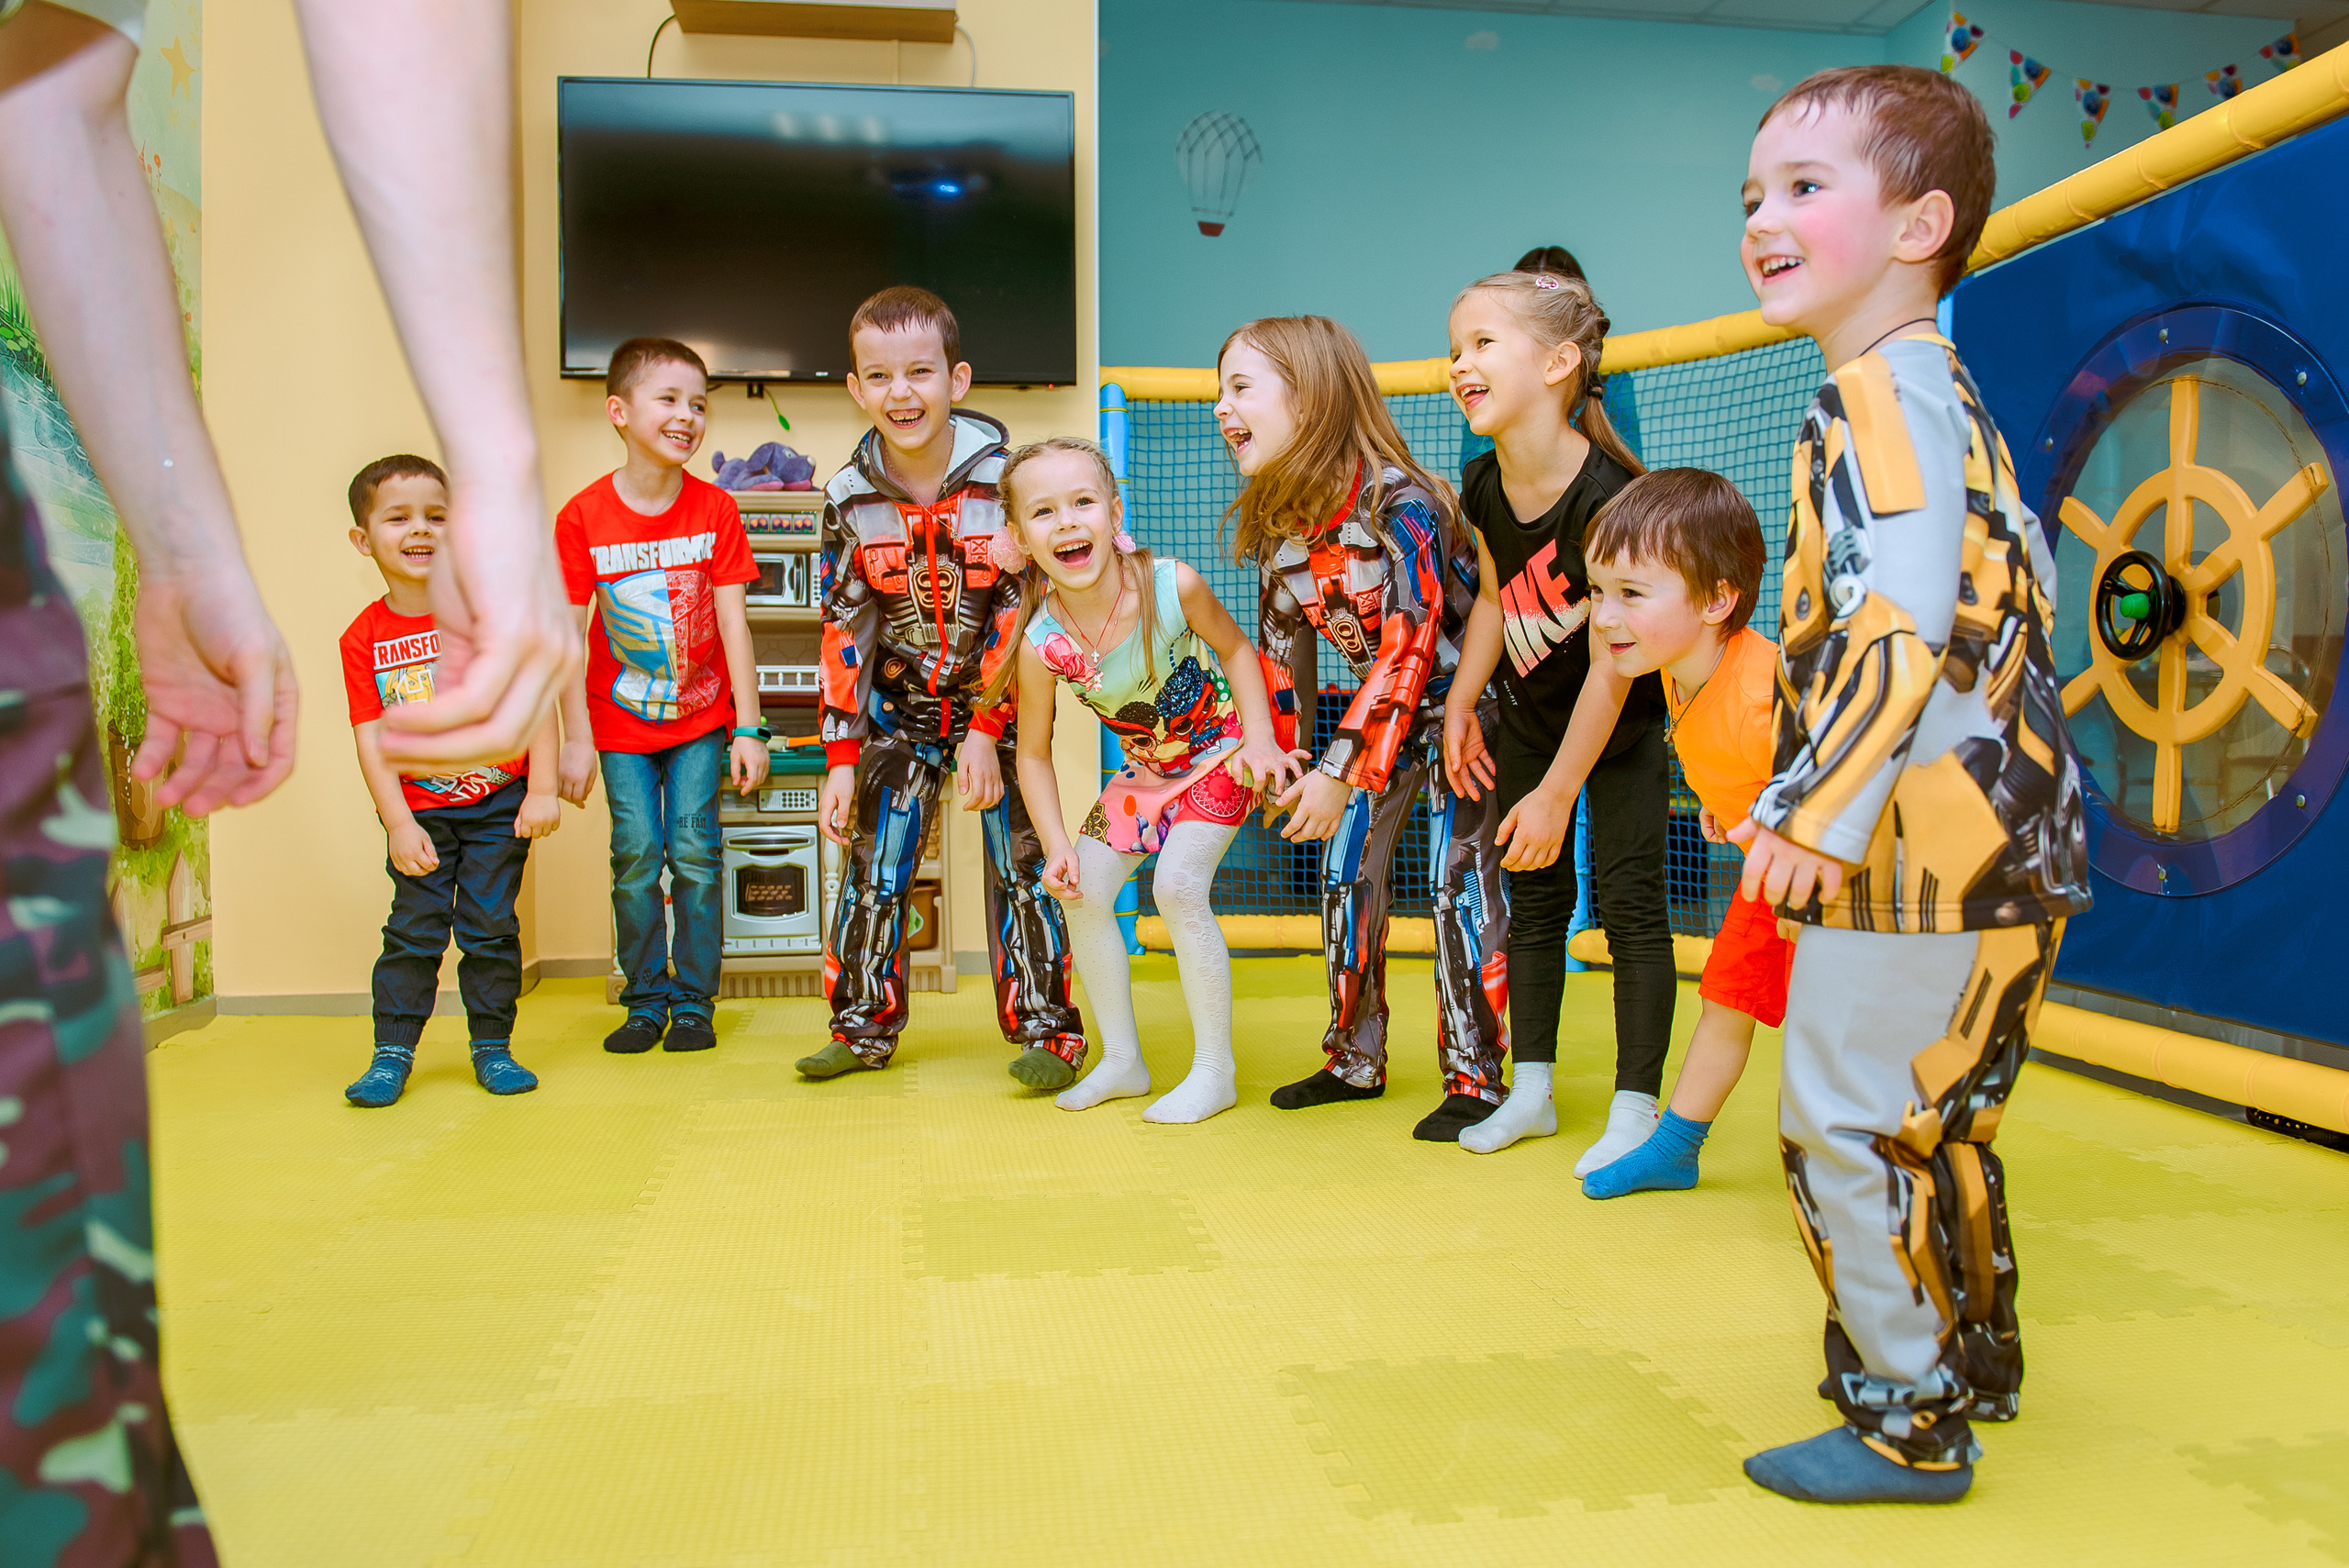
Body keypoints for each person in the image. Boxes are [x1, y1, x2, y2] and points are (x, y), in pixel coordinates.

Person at [0, 3, 568, 1558]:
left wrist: (182, 546)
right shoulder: (376, 622)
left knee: (494, 941)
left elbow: (42, 100)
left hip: (487, 819)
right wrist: (502, 463)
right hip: (418, 822)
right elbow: (49, 102)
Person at [1731, 65, 2092, 1505]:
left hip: (1921, 845)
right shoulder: (1949, 397)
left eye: (1806, 189)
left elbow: (1901, 616)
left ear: (1920, 222)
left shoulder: (1878, 398)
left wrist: (1819, 810)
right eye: (1752, 195)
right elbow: (2024, 596)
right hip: (2016, 835)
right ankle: (1972, 1355)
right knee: (1942, 1117)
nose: (1763, 217)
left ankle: (1903, 1416)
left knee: (1839, 1118)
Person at [1216, 315, 1509, 1141]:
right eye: (1219, 391)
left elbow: (1412, 640)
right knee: (1346, 876)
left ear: (1309, 399)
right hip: (1376, 720)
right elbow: (1282, 655)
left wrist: (1341, 769)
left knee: (1456, 886)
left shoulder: (1399, 501)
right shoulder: (1281, 530)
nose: (1221, 408)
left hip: (1463, 713)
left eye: (1241, 388)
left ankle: (1477, 1076)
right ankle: (1354, 1055)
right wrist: (1278, 751)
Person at [805, 286, 1085, 1085]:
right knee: (873, 868)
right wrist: (840, 755)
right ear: (857, 389)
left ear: (956, 380)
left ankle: (1047, 1031)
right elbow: (843, 629)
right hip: (898, 714)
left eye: (920, 372)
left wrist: (989, 731)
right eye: (881, 377)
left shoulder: (1010, 482)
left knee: (1021, 867)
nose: (903, 393)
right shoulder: (847, 499)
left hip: (998, 712)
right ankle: (859, 1028)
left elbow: (1022, 606)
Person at [1439, 271, 1676, 1166]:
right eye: (1454, 347)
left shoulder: (1610, 493)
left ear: (1557, 362)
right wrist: (1465, 702)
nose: (1458, 363)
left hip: (1616, 728)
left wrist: (1555, 790)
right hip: (1532, 719)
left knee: (1628, 909)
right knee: (1532, 904)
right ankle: (1530, 1089)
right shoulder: (1483, 479)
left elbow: (1616, 666)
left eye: (1481, 343)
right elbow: (1501, 595)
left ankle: (1635, 1107)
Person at [992, 438, 1301, 1123]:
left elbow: (1238, 649)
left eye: (1082, 502)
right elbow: (1033, 754)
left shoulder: (1170, 583)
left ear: (1114, 510)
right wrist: (1057, 847)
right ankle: (1124, 1061)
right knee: (1084, 891)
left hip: (1221, 754)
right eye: (1043, 511)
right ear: (1020, 538)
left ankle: (1215, 1071)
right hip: (1147, 774)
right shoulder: (1043, 642)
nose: (1067, 521)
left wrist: (1259, 740)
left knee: (1177, 886)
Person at [556, 338, 770, 1056]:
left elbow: (736, 624)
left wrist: (750, 728)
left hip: (701, 720)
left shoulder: (715, 509)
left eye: (699, 403)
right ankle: (644, 997)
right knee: (638, 853)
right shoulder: (582, 518)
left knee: (696, 850)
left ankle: (693, 1001)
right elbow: (568, 638)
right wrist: (575, 737)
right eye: (669, 399)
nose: (688, 415)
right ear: (619, 411)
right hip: (617, 724)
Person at [1579, 469, 1786, 1196]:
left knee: (1842, 1026)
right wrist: (1729, 805)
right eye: (1598, 591)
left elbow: (1830, 768)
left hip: (1836, 885)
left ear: (1717, 599)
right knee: (1727, 995)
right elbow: (1728, 757)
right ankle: (1677, 1145)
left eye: (1631, 594)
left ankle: (1867, 1145)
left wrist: (1774, 808)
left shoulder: (1765, 691)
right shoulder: (1677, 669)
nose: (1605, 616)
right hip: (1771, 873)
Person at [340, 455, 561, 1107]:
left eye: (438, 516)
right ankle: (391, 1053)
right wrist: (398, 822)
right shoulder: (363, 638)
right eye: (399, 517)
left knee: (490, 927)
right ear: (363, 539)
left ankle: (492, 1045)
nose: (422, 530)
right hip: (421, 812)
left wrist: (543, 784)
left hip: (498, 802)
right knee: (413, 930)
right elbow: (370, 738)